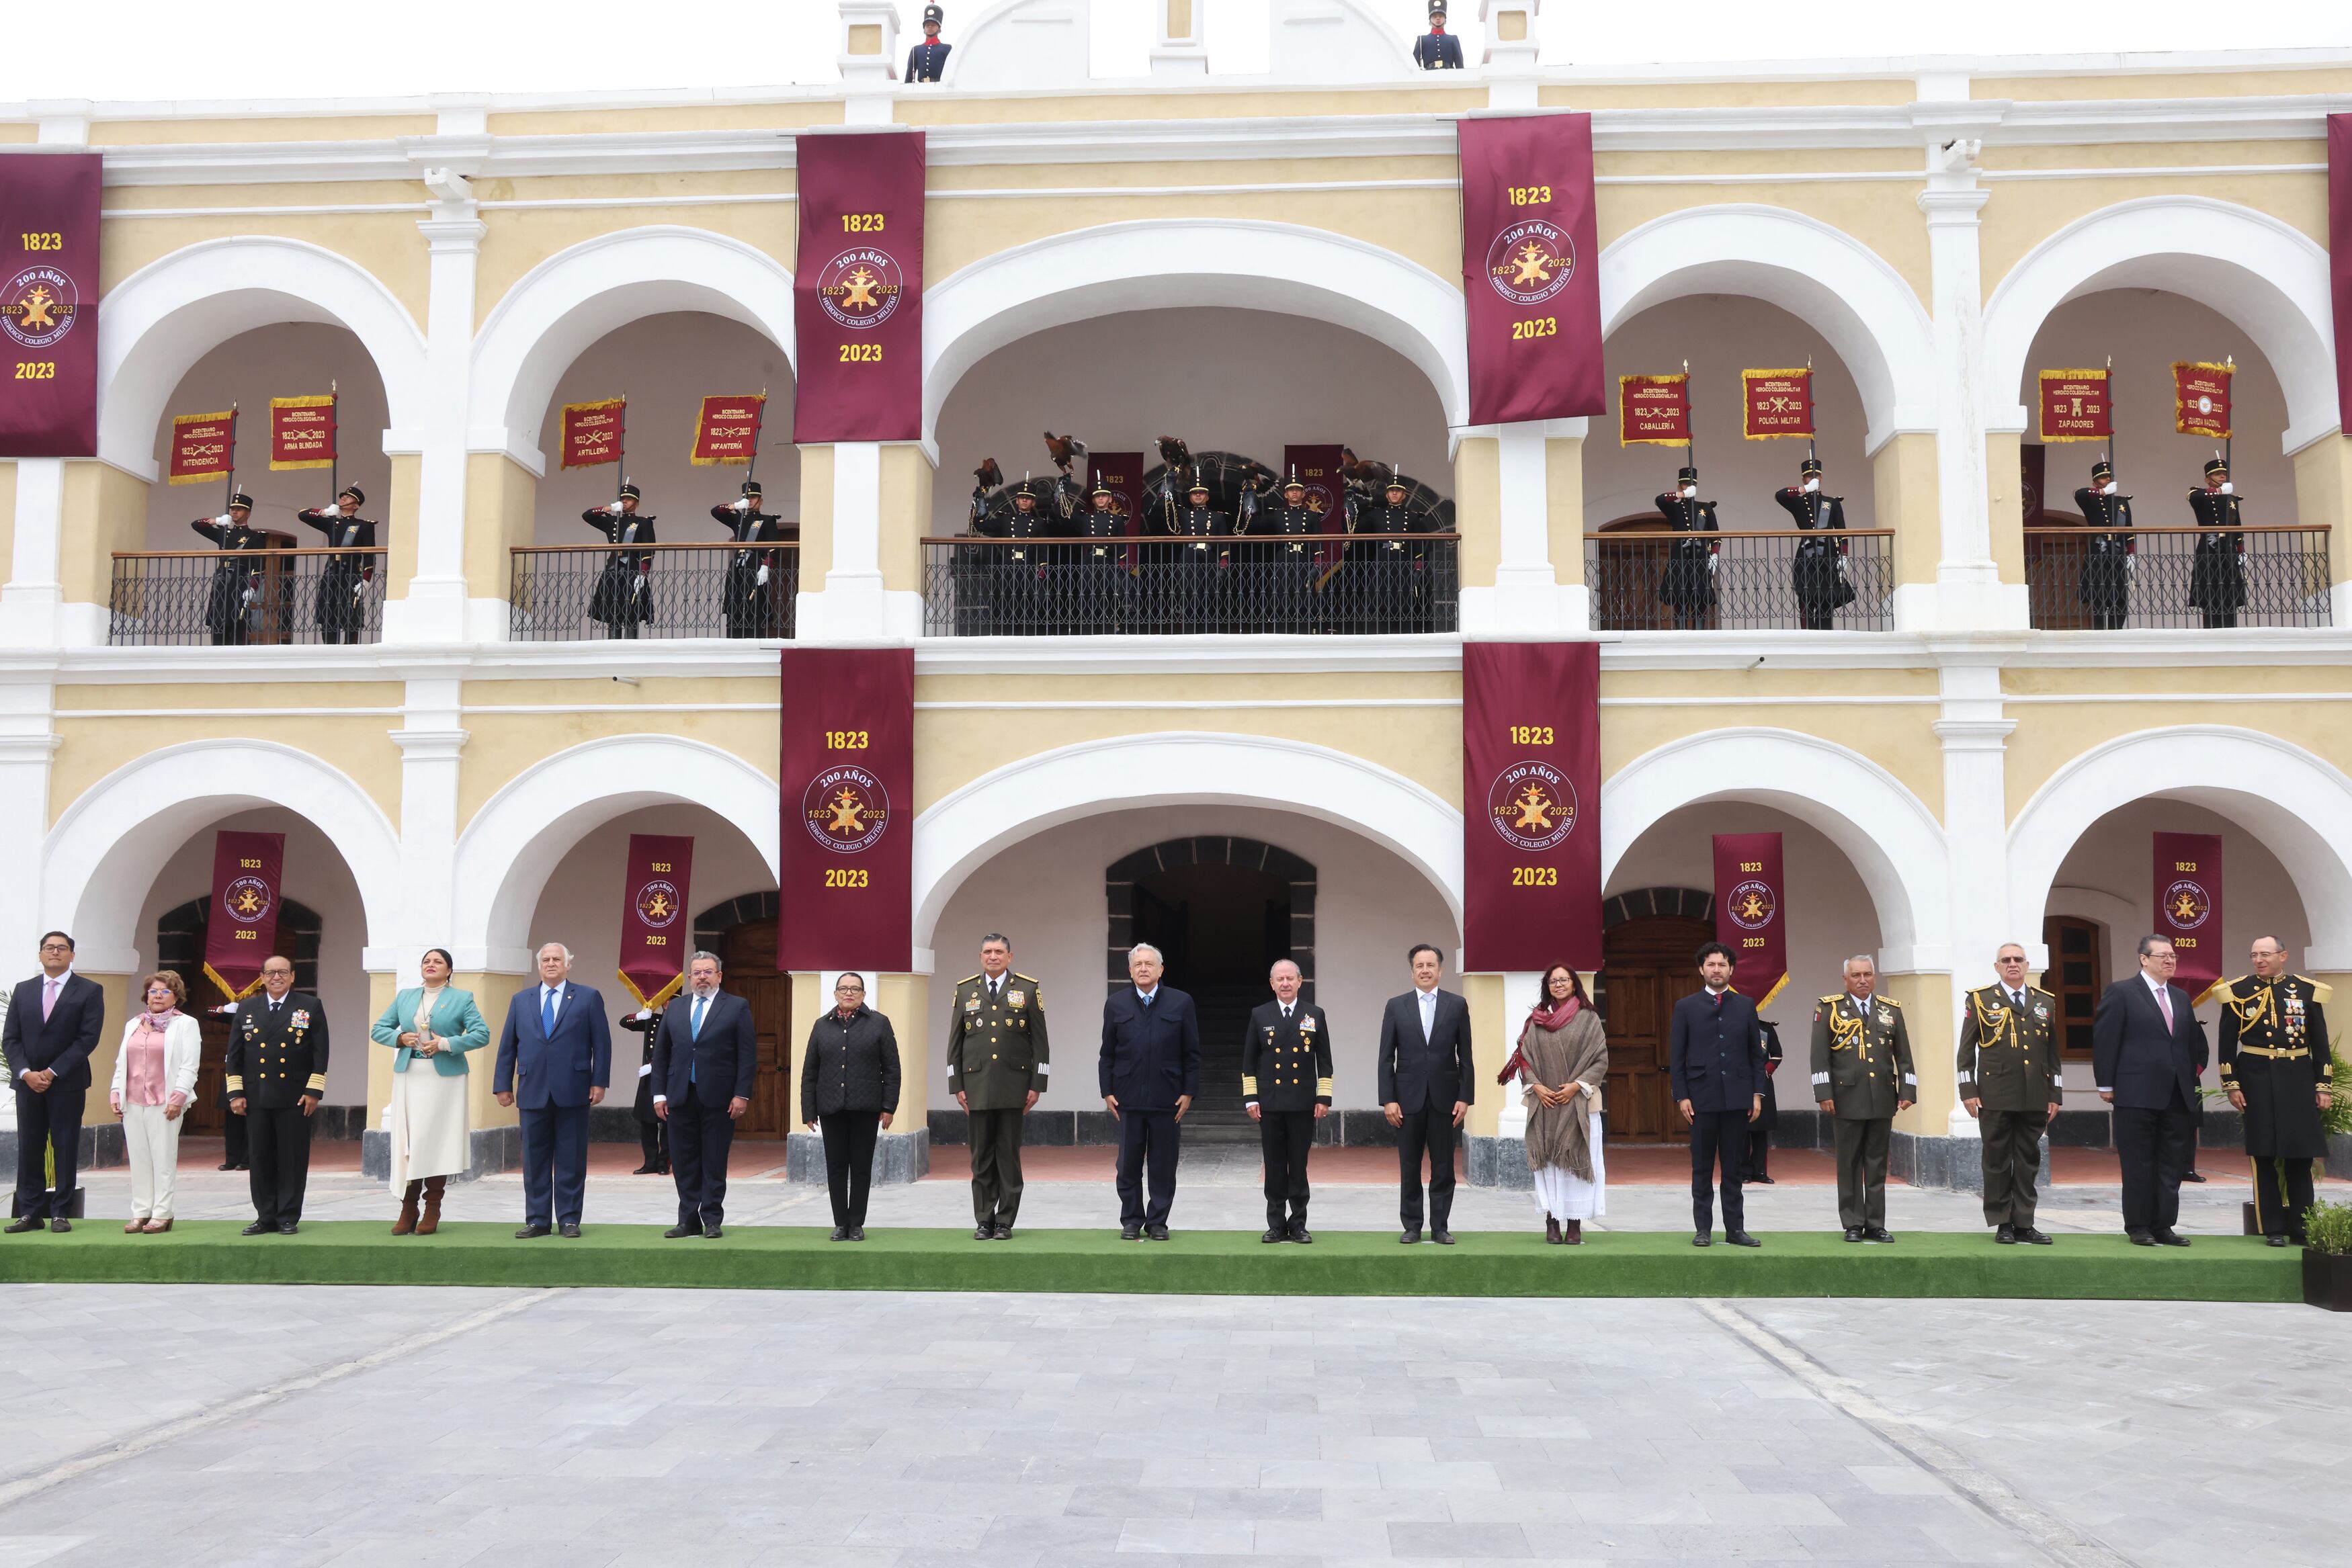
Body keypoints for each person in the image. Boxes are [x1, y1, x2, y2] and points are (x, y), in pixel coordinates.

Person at [2216, 937, 2335, 1246]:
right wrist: (2232, 1084)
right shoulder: (2238, 992)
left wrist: (2323, 1086)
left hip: (2297, 1079)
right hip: (2256, 1079)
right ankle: (2273, 1229)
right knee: (2264, 1155)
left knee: (2300, 1156)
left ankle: (2302, 1226)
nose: (2259, 960)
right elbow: (2226, 1044)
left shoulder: (2306, 990)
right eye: (2254, 954)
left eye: (2265, 954)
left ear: (2283, 955)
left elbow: (2320, 1044)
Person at [2091, 935, 2207, 1246]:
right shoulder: (2122, 992)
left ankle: (2164, 1226)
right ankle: (2139, 1226)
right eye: (2162, 956)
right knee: (2138, 1163)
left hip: (2176, 1094)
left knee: (2171, 1164)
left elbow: (2190, 1044)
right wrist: (2106, 1083)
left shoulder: (2181, 998)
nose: (2170, 961)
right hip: (2135, 1093)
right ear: (2144, 959)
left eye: (2173, 956)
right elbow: (2106, 1039)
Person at [494, 943, 612, 1239]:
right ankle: (537, 1220)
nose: (550, 964)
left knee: (571, 1158)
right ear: (538, 965)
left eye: (557, 959)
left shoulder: (587, 997)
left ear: (568, 964)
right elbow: (508, 1045)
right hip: (532, 1089)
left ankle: (569, 1219)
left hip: (574, 1089)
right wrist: (502, 1085)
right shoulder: (522, 1000)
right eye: (545, 959)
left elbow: (602, 1043)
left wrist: (599, 1082)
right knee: (534, 1160)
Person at [369, 948, 490, 1237]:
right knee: (410, 1141)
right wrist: (400, 1037)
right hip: (410, 1075)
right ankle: (408, 1208)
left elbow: (481, 1034)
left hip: (444, 1080)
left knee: (434, 1140)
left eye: (438, 962)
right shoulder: (406, 997)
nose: (431, 965)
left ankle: (432, 1207)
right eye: (426, 961)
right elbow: (378, 1029)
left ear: (449, 970)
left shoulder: (462, 999)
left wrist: (446, 1043)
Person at [945, 934, 1050, 1241]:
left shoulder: (1028, 989)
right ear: (980, 956)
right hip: (976, 1086)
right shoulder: (965, 990)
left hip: (1014, 1086)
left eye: (999, 952)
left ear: (1010, 956)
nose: (993, 956)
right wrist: (956, 1085)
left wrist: (1037, 1084)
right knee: (980, 1158)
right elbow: (955, 1043)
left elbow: (1040, 1042)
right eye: (988, 952)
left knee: (1008, 1156)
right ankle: (983, 1220)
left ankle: (1005, 1221)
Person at [1957, 943, 2061, 1245]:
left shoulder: (2045, 1002)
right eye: (2006, 960)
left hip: (2034, 1095)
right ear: (1997, 966)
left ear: (2027, 966)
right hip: (1995, 1093)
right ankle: (2003, 1222)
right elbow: (1966, 1050)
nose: (2012, 964)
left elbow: (2052, 1052)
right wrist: (1968, 1090)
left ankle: (2025, 1223)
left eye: (2018, 960)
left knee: (2028, 1160)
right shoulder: (1980, 1000)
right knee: (1997, 1160)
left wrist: (2054, 1093)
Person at [1667, 942, 1766, 1248]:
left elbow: (1755, 1055)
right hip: (1700, 1099)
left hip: (1737, 1098)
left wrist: (1757, 1093)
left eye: (1722, 965)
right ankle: (1703, 1230)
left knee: (1734, 1167)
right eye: (1711, 965)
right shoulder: (1686, 1007)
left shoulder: (1746, 1005)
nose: (1717, 970)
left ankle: (1735, 1229)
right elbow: (1677, 1056)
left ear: (1731, 969)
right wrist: (1682, 1096)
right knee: (1702, 1167)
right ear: (1701, 969)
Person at [652, 951, 756, 1240]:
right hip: (680, 1096)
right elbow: (661, 1055)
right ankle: (688, 1220)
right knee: (683, 1161)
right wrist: (658, 1094)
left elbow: (747, 1056)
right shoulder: (675, 1008)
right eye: (697, 972)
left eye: (708, 972)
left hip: (720, 1098)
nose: (702, 977)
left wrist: (741, 1094)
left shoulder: (736, 1007)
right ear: (689, 977)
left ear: (719, 976)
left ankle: (712, 1219)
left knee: (713, 1159)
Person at [1099, 943, 1200, 1241]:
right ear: (1130, 971)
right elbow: (1107, 1053)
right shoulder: (1116, 1004)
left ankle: (1158, 1222)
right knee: (1128, 1163)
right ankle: (1131, 1219)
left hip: (1167, 1097)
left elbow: (1192, 1053)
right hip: (1127, 1097)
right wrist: (1107, 1090)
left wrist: (1188, 1091)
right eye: (1138, 964)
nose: (1144, 968)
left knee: (1163, 1165)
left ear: (1161, 970)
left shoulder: (1181, 1003)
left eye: (1149, 964)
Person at [3, 932, 103, 1233]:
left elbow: (87, 1038)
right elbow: (11, 1038)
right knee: (29, 1147)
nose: (55, 952)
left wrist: (51, 1072)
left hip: (67, 1083)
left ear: (72, 955)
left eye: (62, 948)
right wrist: (25, 1073)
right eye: (49, 948)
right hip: (27, 1084)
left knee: (65, 1145)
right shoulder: (23, 991)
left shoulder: (88, 990)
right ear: (40, 954)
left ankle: (61, 1211)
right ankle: (30, 1213)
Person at [1812, 955, 1916, 1243]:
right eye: (1856, 975)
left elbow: (1904, 1057)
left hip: (1882, 1097)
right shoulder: (1830, 1008)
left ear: (1874, 977)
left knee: (1877, 1163)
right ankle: (1853, 1223)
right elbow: (1819, 1057)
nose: (1862, 980)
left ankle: (1875, 1223)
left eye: (1867, 974)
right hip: (1846, 1098)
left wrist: (1907, 1091)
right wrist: (1824, 1093)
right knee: (1849, 1163)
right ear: (1845, 979)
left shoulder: (1890, 1010)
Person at [224, 955, 329, 1236]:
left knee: (292, 1158)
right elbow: (234, 1055)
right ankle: (265, 1216)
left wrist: (314, 1090)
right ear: (262, 977)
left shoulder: (309, 1006)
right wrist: (235, 1092)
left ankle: (287, 1216)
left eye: (283, 972)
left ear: (293, 976)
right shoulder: (247, 1008)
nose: (276, 977)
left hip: (295, 1096)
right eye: (270, 972)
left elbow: (320, 1053)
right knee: (260, 1158)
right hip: (256, 1096)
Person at [1377, 943, 1475, 1245]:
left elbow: (1466, 1056)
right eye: (1419, 965)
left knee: (1444, 1167)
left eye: (1430, 965)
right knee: (1410, 1165)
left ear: (1440, 970)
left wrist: (1465, 1097)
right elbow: (1386, 1057)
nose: (1425, 970)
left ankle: (1440, 1226)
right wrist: (1388, 1099)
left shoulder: (1456, 1005)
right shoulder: (1396, 1006)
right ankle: (1412, 1226)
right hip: (1407, 1101)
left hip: (1446, 1100)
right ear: (1412, 972)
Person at [800, 973, 902, 1242]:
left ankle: (856, 1223)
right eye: (843, 989)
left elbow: (892, 1069)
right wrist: (808, 1110)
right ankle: (839, 1223)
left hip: (866, 1108)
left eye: (855, 989)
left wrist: (889, 1106)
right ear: (835, 994)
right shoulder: (822, 1026)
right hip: (831, 1107)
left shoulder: (879, 1024)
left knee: (860, 1167)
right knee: (835, 1166)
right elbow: (810, 1071)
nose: (849, 993)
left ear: (863, 995)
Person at [1513, 964, 1607, 1245]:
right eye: (1553, 981)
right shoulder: (1537, 1019)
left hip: (1579, 1102)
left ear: (1574, 983)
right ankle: (1552, 1221)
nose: (1559, 985)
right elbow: (1524, 1058)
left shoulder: (1588, 1019)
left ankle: (1575, 1224)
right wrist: (1538, 1087)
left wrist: (1577, 1086)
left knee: (1575, 1163)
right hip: (1546, 1104)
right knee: (1550, 1166)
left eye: (1564, 980)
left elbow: (1600, 1059)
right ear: (1547, 986)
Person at [1243, 958, 1331, 1244]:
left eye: (1290, 979)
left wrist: (1324, 1097)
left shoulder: (1314, 1014)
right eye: (1279, 979)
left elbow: (1325, 1061)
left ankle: (1299, 1224)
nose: (1285, 984)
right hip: (1270, 1103)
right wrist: (1251, 1098)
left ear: (1299, 981)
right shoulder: (1260, 1014)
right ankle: (1276, 1225)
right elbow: (1249, 1061)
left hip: (1303, 1103)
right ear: (1272, 983)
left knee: (1299, 1165)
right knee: (1275, 1165)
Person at [110, 971, 200, 1233]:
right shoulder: (133, 1024)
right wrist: (116, 1092)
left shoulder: (186, 1024)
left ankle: (162, 1213)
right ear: (146, 995)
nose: (158, 996)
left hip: (165, 1102)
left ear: (175, 997)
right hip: (134, 1100)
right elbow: (121, 1063)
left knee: (163, 1158)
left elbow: (189, 1065)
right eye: (153, 991)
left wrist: (178, 1097)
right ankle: (141, 1212)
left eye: (165, 991)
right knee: (138, 1159)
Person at [1774, 455, 1855, 630]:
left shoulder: (1831, 503)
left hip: (1828, 556)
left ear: (1821, 477)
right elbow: (1780, 495)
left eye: (1816, 476)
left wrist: (1844, 556)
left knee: (1827, 598)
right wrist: (1804, 489)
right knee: (1805, 596)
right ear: (1804, 478)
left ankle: (1826, 632)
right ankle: (1807, 633)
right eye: (1809, 476)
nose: (1813, 479)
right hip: (1807, 555)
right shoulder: (1798, 501)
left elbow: (1842, 531)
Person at [294, 483, 376, 644]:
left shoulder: (364, 526)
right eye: (342, 496)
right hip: (331, 575)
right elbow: (302, 515)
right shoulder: (332, 523)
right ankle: (329, 649)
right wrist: (324, 512)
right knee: (328, 616)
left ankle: (350, 650)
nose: (343, 497)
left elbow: (369, 554)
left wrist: (366, 579)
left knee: (350, 617)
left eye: (348, 497)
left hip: (351, 575)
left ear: (356, 505)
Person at [1352, 475, 1430, 633]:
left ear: (1404, 495)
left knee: (1403, 606)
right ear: (1387, 494)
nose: (1395, 494)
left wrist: (1418, 567)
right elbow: (1356, 528)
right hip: (1382, 562)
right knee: (1380, 604)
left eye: (1398, 491)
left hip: (1402, 563)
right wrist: (1367, 503)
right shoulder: (1377, 514)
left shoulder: (1412, 517)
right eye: (1392, 491)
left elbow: (1418, 546)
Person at [190, 493, 267, 646]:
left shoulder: (255, 537)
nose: (235, 512)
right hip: (221, 579)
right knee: (217, 619)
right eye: (233, 508)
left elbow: (259, 568)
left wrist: (253, 587)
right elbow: (196, 525)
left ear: (248, 513)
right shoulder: (224, 533)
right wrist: (215, 521)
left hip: (240, 580)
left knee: (237, 620)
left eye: (239, 509)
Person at [713, 478, 787, 639]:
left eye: (754, 498)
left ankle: (754, 637)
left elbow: (774, 546)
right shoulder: (738, 519)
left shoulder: (767, 520)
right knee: (734, 603)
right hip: (737, 569)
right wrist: (735, 506)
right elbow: (715, 512)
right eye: (748, 497)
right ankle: (733, 637)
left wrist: (766, 566)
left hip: (754, 567)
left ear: (761, 501)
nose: (751, 500)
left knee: (755, 605)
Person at [583, 483, 656, 638]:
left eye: (629, 499)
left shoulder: (643, 522)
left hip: (633, 571)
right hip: (613, 572)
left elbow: (649, 552)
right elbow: (587, 516)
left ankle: (630, 648)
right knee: (612, 614)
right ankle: (612, 645)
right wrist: (609, 508)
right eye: (622, 499)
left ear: (637, 504)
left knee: (631, 614)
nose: (625, 501)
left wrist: (643, 574)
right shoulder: (612, 522)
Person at [1655, 466, 1720, 628]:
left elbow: (1715, 535)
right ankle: (1681, 631)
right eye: (1685, 485)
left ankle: (1699, 632)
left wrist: (1715, 554)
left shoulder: (1706, 507)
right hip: (1681, 556)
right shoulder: (1675, 507)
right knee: (1680, 595)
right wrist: (1681, 495)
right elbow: (1660, 500)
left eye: (1691, 484)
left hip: (1700, 557)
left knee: (1701, 596)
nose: (1688, 486)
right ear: (1679, 486)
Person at [2186, 455, 2246, 629]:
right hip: (2209, 548)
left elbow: (2237, 527)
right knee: (2208, 586)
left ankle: (2230, 626)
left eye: (2224, 474)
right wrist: (2219, 492)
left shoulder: (2232, 499)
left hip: (2228, 549)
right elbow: (2194, 497)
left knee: (2230, 587)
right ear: (2208, 478)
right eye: (2218, 474)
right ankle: (2211, 625)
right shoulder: (2200, 494)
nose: (2222, 477)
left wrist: (2241, 551)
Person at [1257, 473, 1322, 633]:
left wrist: (1317, 566)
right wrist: (1249, 503)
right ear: (1286, 494)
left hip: (1303, 560)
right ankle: (1281, 638)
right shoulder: (1278, 515)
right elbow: (1255, 525)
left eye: (1298, 490)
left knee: (1303, 603)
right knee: (1282, 602)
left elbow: (1319, 544)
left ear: (1303, 493)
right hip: (1283, 560)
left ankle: (1305, 637)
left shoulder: (1312, 516)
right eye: (1291, 490)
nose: (1294, 493)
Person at [2076, 458, 2133, 630]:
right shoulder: (2091, 499)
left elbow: (2128, 529)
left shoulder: (2121, 502)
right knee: (2099, 596)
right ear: (2095, 481)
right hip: (2099, 551)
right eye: (2103, 477)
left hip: (2117, 552)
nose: (2108, 479)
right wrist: (2102, 492)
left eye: (2109, 476)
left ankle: (2117, 631)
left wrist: (2131, 553)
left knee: (2120, 597)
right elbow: (2079, 493)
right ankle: (2101, 633)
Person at [1071, 482, 1130, 635]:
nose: (1101, 499)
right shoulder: (1086, 518)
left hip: (1108, 562)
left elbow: (1122, 543)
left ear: (1110, 499)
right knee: (1088, 598)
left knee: (1108, 597)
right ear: (1093, 500)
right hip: (1089, 562)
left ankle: (1108, 631)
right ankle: (1087, 632)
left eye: (1104, 496)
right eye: (1098, 496)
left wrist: (1121, 562)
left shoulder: (1117, 520)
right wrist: (1062, 491)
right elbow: (1065, 515)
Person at [619, 1004, 669, 1174]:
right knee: (647, 1121)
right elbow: (624, 1023)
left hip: (670, 1075)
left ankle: (664, 1163)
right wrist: (640, 1015)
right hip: (649, 1077)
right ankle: (650, 1163)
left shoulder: (681, 1019)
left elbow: (679, 1049)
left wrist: (655, 1066)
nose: (667, 1003)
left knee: (668, 1122)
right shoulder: (654, 1019)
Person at [1744, 1019, 1784, 1184]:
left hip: (1762, 1082)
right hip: (1740, 1081)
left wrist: (1764, 1072)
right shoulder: (1733, 1024)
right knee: (1741, 1130)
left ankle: (1759, 1171)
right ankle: (1743, 1171)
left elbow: (1777, 1055)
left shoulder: (1766, 1028)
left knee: (1761, 1129)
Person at [905, 3, 951, 83]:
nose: (930, 27)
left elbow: (951, 70)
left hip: (940, 88)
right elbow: (909, 75)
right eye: (927, 25)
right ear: (924, 29)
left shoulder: (947, 49)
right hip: (921, 88)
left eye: (933, 25)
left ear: (939, 29)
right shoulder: (915, 50)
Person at [1412, 1, 1464, 69]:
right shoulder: (1422, 40)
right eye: (1435, 16)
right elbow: (1414, 64)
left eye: (1441, 16)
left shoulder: (1453, 39)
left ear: (1445, 19)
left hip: (1450, 75)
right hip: (1429, 76)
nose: (1438, 18)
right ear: (1430, 20)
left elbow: (1459, 64)